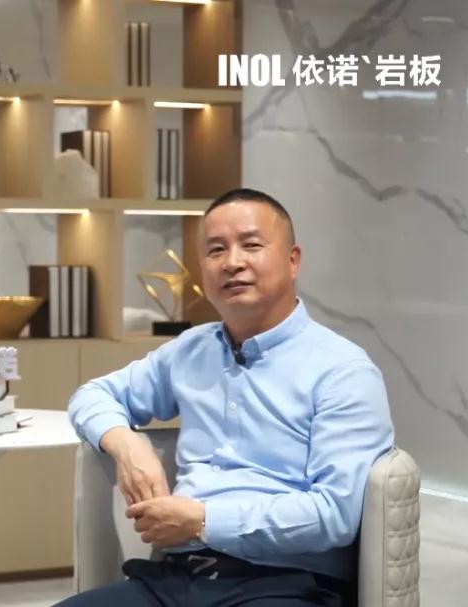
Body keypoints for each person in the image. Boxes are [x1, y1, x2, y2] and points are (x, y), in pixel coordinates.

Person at [57, 188, 394, 606]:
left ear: (293, 260)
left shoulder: (342, 371)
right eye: (216, 250)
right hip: (177, 579)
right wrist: (127, 445)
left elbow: (335, 515)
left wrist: (202, 521)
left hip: (288, 583)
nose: (232, 262)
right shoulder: (190, 351)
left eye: (251, 245)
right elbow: (92, 395)